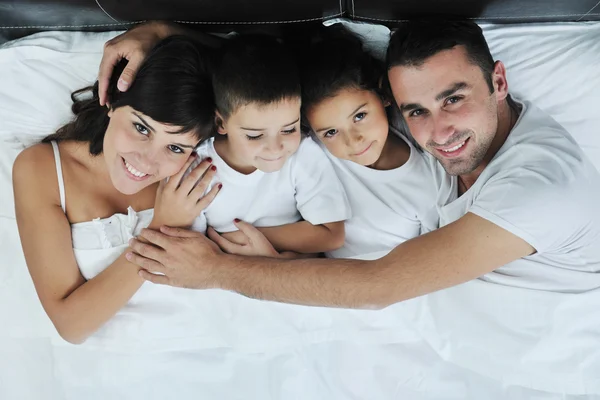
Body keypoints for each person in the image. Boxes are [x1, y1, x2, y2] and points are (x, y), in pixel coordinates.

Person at [106, 20, 600, 308]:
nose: (438, 132)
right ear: (392, 101)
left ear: (498, 81)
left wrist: (218, 271)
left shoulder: (541, 189)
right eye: (415, 111)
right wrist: (162, 33)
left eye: (454, 99)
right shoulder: (394, 120)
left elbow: (377, 286)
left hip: (541, 347)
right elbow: (281, 80)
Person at [13, 36, 220, 344]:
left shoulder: (196, 168)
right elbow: (71, 325)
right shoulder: (43, 169)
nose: (148, 160)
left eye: (175, 146)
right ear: (112, 103)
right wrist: (161, 228)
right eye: (141, 128)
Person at [186, 34, 351, 254]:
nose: (275, 148)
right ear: (220, 122)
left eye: (289, 129)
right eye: (254, 136)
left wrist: (245, 238)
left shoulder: (304, 153)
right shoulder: (197, 168)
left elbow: (332, 235)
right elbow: (192, 249)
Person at [299, 27, 438, 258]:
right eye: (331, 132)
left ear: (383, 94)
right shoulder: (314, 151)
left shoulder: (429, 182)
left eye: (360, 116)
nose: (353, 141)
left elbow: (433, 261)